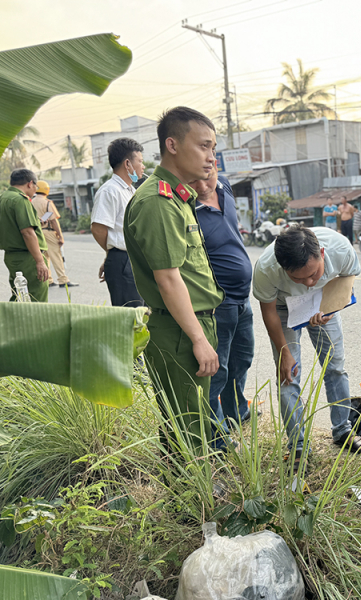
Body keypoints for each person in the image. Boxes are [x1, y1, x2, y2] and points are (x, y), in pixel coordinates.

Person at [123, 106, 226, 451]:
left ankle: (195, 493)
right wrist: (198, 338)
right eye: (203, 146)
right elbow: (168, 279)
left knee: (192, 419)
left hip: (190, 325)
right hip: (181, 332)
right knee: (188, 428)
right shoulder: (158, 202)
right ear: (172, 145)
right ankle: (193, 501)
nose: (211, 157)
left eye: (213, 148)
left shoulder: (178, 196)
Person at [252, 225, 361, 462]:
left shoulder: (340, 248)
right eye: (299, 278)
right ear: (283, 269)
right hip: (283, 308)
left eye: (314, 273)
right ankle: (299, 443)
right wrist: (284, 352)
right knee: (288, 374)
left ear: (322, 253)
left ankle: (342, 429)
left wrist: (331, 306)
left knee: (335, 365)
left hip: (325, 302)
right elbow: (269, 312)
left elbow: (347, 279)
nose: (309, 282)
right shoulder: (266, 268)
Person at [190, 165, 255, 426]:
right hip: (219, 301)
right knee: (218, 368)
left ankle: (236, 410)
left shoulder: (225, 186)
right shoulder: (187, 209)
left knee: (243, 358)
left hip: (243, 298)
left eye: (207, 177)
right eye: (195, 180)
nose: (203, 185)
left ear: (216, 168)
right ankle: (216, 430)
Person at [91, 137, 146, 307]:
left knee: (141, 312)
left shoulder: (129, 190)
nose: (143, 167)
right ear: (128, 164)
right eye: (140, 161)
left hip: (131, 258)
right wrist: (112, 252)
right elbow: (98, 229)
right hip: (123, 260)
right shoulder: (110, 191)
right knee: (130, 314)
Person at [0, 169, 49, 302]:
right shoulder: (20, 200)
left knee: (19, 298)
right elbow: (27, 232)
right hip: (28, 256)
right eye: (35, 186)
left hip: (12, 256)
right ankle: (36, 323)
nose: (35, 190)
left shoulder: (3, 198)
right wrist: (40, 261)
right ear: (30, 183)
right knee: (36, 298)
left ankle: (12, 323)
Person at [31, 181, 76, 288]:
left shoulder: (31, 202)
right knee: (56, 255)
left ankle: (49, 280)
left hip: (37, 233)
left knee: (45, 256)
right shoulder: (47, 203)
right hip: (48, 231)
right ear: (46, 190)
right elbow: (54, 221)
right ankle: (63, 280)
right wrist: (60, 236)